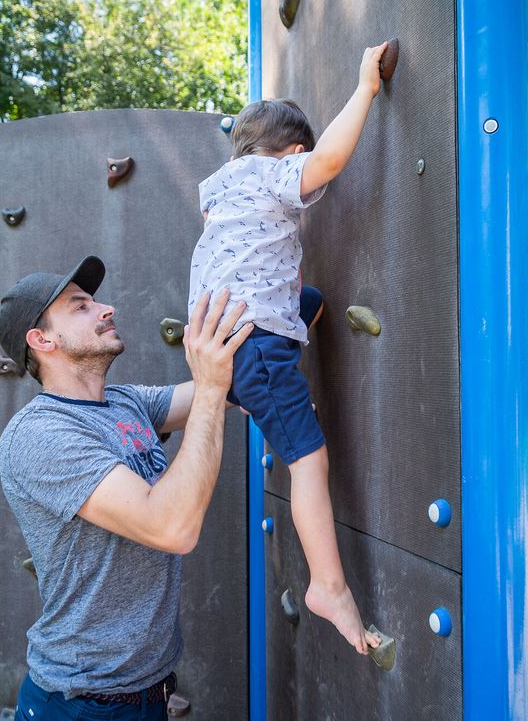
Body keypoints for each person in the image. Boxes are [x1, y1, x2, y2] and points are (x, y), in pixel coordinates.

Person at [187, 43, 389, 655]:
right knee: (309, 461)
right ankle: (329, 586)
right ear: (290, 152)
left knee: (311, 300)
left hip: (230, 338)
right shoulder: (273, 176)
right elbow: (329, 159)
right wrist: (366, 90)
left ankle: (258, 398)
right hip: (255, 347)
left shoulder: (221, 187)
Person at [0, 255, 252, 720]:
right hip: (82, 703)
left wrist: (277, 308)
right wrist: (212, 389)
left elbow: (229, 386)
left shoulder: (126, 403)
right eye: (80, 307)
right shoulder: (40, 434)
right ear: (42, 339)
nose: (106, 308)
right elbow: (171, 527)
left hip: (147, 691)